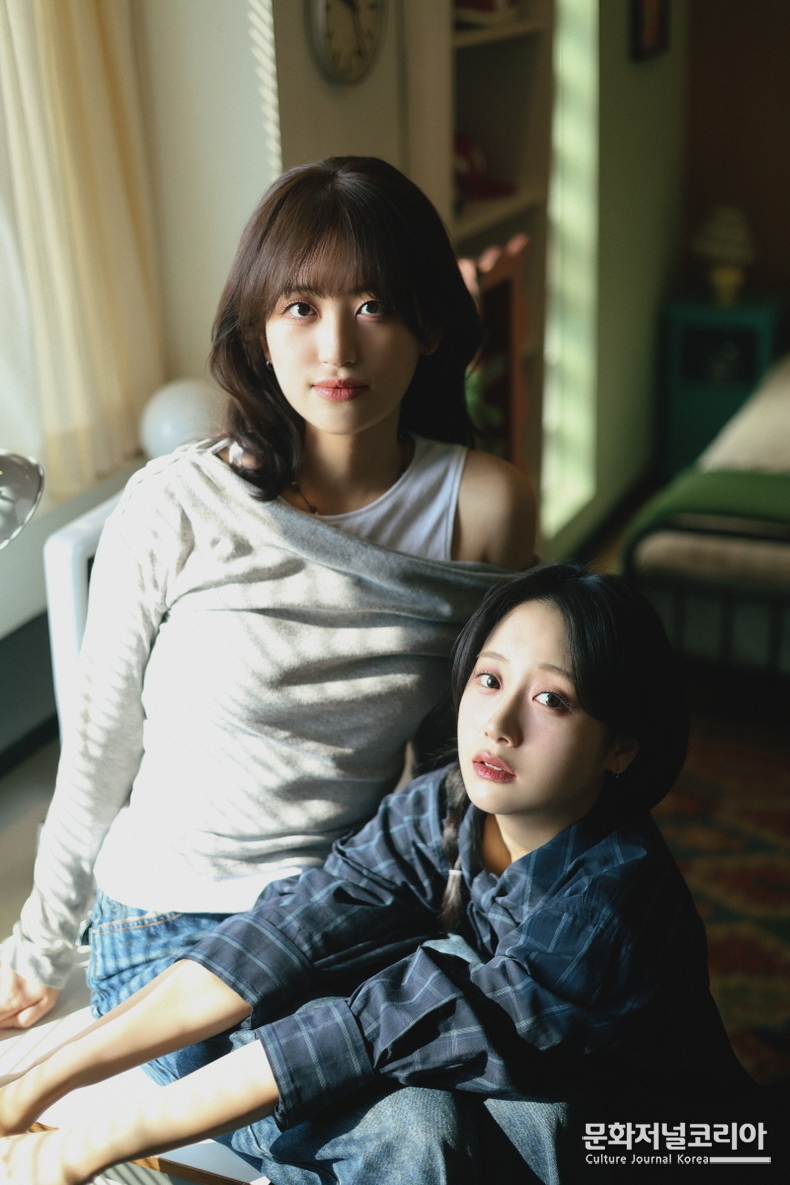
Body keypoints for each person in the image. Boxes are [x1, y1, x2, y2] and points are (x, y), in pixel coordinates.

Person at [0, 157, 535, 1047]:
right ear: (258, 331)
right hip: (168, 922)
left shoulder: (482, 507)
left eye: (374, 305)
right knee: (354, 1108)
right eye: (300, 307)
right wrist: (37, 947)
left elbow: (465, 760)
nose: (337, 349)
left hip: (341, 911)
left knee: (452, 1102)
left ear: (430, 326)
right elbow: (98, 745)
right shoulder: (177, 502)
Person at [0, 564, 759, 1185]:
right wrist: (38, 1082)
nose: (499, 725)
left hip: (668, 1147)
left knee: (422, 1101)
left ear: (620, 746)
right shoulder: (447, 806)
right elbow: (283, 933)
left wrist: (82, 1147)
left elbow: (377, 1028)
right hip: (560, 1102)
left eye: (551, 699)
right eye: (490, 680)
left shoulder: (608, 906)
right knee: (363, 1039)